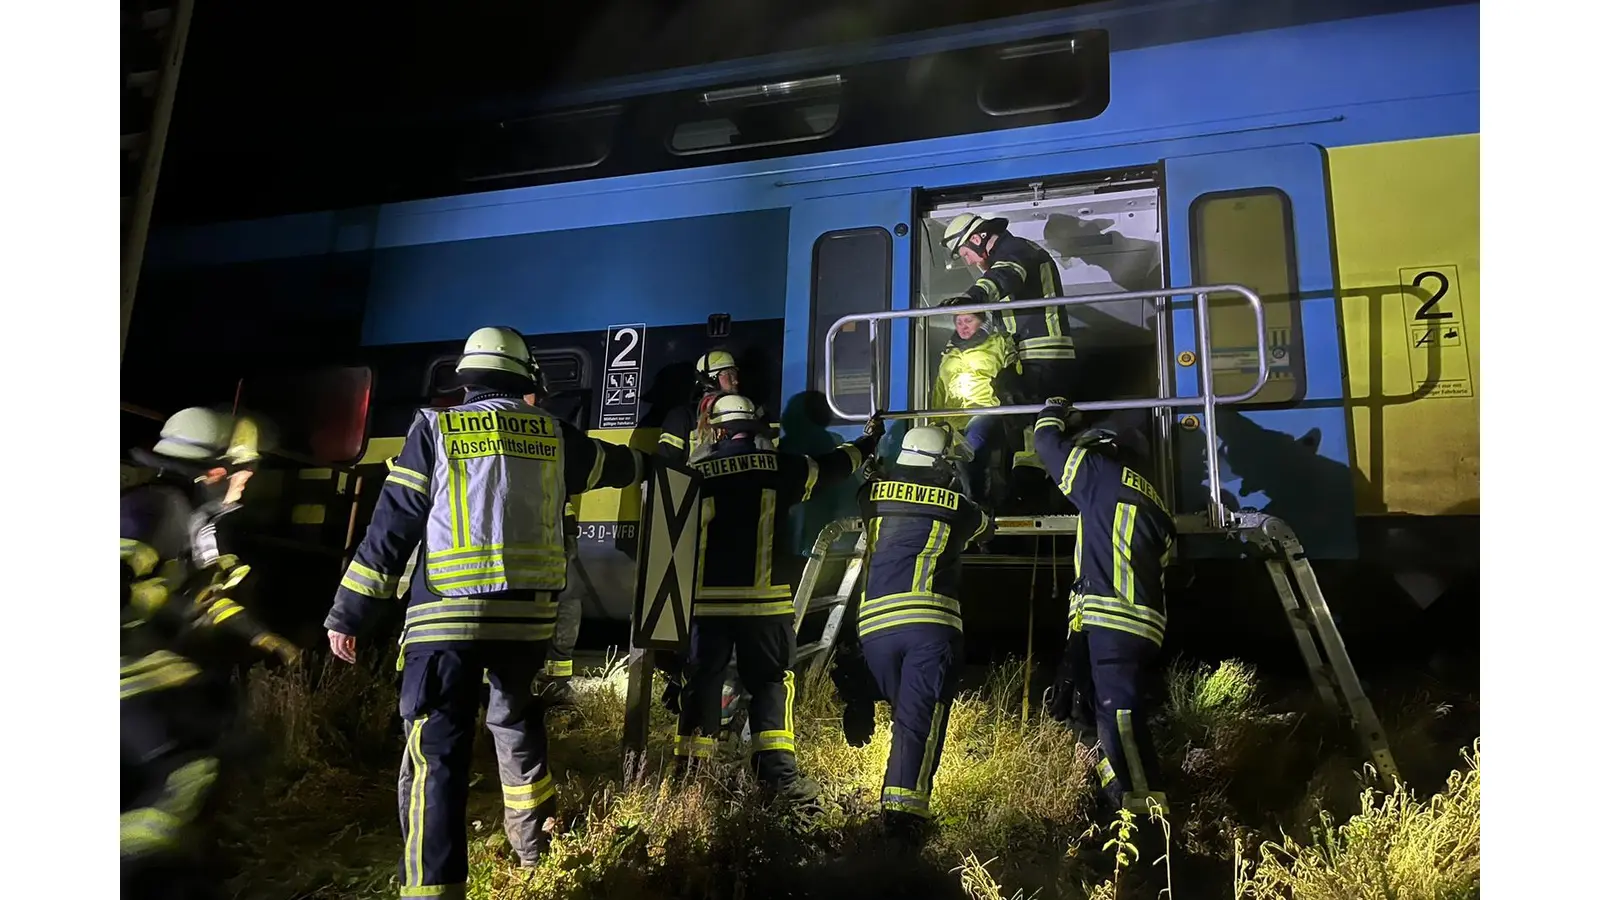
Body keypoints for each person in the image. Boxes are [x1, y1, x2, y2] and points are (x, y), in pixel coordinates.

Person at [322, 325, 647, 897]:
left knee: (437, 753)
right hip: (525, 625)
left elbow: (391, 526)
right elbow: (613, 467)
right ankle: (535, 849)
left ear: (467, 380)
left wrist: (349, 614)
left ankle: (433, 887)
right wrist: (658, 466)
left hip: (445, 623)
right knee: (517, 726)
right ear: (524, 379)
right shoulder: (553, 435)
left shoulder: (434, 430)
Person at [121, 408, 299, 900]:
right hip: (124, 677)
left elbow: (204, 597)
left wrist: (263, 638)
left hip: (137, 675)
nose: (247, 481)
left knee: (199, 760)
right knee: (184, 769)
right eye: (244, 470)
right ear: (214, 471)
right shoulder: (154, 511)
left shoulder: (190, 522)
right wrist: (163, 662)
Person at [674, 394, 882, 803]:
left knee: (702, 683)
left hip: (706, 605)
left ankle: (692, 780)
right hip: (763, 603)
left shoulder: (693, 471)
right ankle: (778, 778)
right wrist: (867, 443)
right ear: (756, 431)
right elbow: (832, 468)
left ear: (716, 430)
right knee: (770, 684)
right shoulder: (779, 466)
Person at [1032, 398, 1174, 817]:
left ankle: (1145, 814)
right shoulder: (1157, 504)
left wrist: (1052, 411)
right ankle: (1114, 798)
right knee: (1098, 714)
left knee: (1120, 717)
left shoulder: (1099, 474)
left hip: (1113, 618)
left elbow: (1047, 445)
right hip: (1138, 620)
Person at [851, 425, 993, 844]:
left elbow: (870, 488)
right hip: (929, 626)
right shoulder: (960, 508)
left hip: (874, 627)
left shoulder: (871, 496)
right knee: (917, 722)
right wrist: (962, 483)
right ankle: (903, 819)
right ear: (943, 464)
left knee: (904, 715)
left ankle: (896, 813)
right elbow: (987, 527)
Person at [939, 212, 1077, 403]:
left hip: (1043, 352)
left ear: (976, 238)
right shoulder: (1008, 253)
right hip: (1027, 350)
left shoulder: (1015, 250)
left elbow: (1006, 275)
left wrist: (971, 299)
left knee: (1042, 414)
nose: (969, 261)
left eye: (965, 254)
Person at [928, 310, 1017, 508]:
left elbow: (1014, 377)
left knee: (970, 447)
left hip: (987, 410)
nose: (963, 326)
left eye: (969, 320)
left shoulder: (999, 343)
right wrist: (934, 423)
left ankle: (975, 503)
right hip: (953, 417)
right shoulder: (949, 353)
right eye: (958, 322)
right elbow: (939, 389)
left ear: (983, 321)